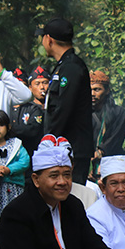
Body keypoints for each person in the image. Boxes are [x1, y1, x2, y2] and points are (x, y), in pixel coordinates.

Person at [36, 19, 94, 183]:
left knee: (72, 199)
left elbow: (64, 108)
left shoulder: (72, 67)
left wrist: (48, 142)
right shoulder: (63, 66)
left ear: (49, 39)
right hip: (60, 148)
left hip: (71, 149)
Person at [0, 110, 29, 233]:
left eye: (1, 125)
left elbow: (24, 161)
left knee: (16, 217)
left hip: (14, 189)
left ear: (8, 127)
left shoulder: (16, 145)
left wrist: (9, 169)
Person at [90, 70, 125, 162]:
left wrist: (100, 152)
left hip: (111, 160)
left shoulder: (118, 112)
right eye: (89, 90)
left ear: (107, 91)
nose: (92, 94)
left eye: (97, 90)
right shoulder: (82, 113)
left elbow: (116, 137)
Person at [11, 66, 48, 157]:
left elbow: (32, 130)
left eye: (45, 83)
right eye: (37, 83)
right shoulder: (4, 107)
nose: (42, 87)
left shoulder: (33, 109)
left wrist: (10, 130)